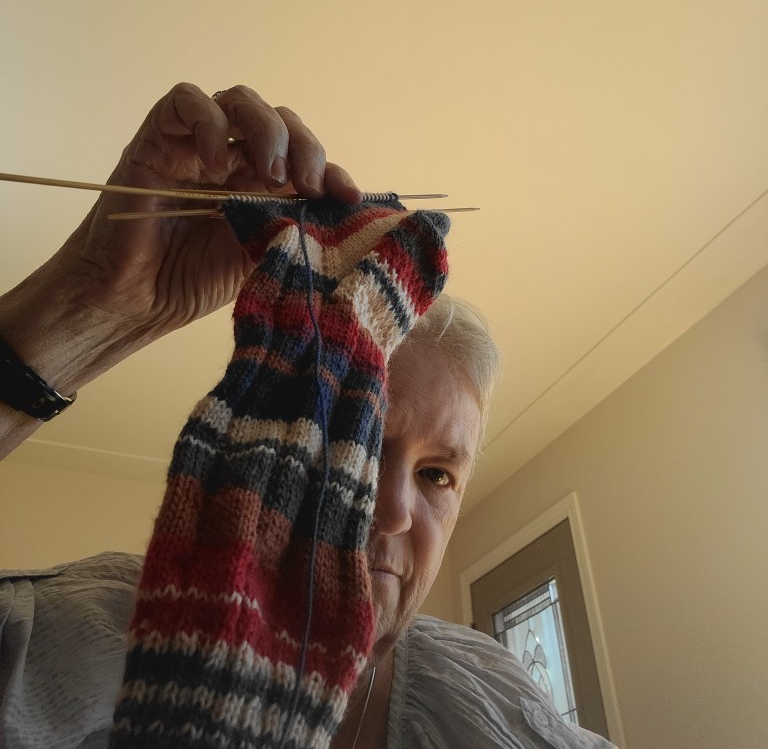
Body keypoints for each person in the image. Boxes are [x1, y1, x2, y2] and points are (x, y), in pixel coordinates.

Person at [0, 84, 617, 749]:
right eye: (357, 442)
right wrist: (88, 306)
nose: (394, 512)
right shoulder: (73, 640)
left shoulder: (488, 702)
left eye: (437, 475)